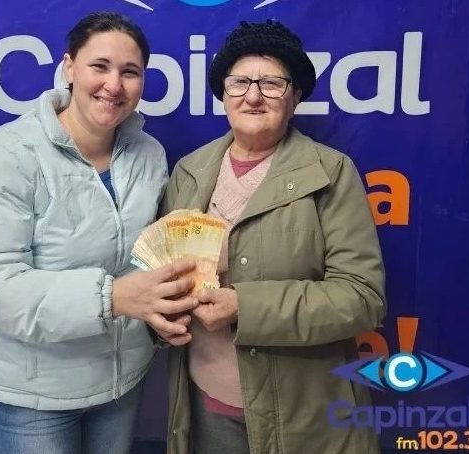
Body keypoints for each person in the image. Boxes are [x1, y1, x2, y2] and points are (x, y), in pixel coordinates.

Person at [0, 11, 196, 454]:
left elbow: (148, 256)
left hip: (123, 385)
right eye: (100, 66)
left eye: (130, 72)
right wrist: (112, 297)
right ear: (69, 67)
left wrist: (167, 308)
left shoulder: (149, 154)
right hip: (35, 400)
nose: (114, 85)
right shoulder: (2, 156)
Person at [157, 20, 387, 454]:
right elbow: (163, 274)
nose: (253, 96)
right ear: (223, 93)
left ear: (295, 96)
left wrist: (244, 307)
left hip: (302, 417)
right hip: (205, 408)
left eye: (272, 83)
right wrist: (162, 317)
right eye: (239, 82)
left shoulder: (332, 173)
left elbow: (362, 298)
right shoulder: (189, 172)